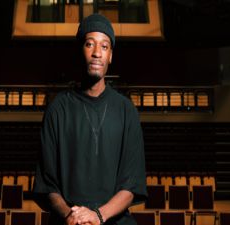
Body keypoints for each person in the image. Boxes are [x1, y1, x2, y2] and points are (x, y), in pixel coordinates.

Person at [33, 13, 146, 225]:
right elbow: (48, 185)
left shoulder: (126, 110)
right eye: (89, 44)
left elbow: (131, 186)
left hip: (114, 221)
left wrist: (98, 215)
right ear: (79, 50)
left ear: (111, 55)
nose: (97, 53)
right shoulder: (57, 109)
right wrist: (72, 215)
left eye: (104, 46)